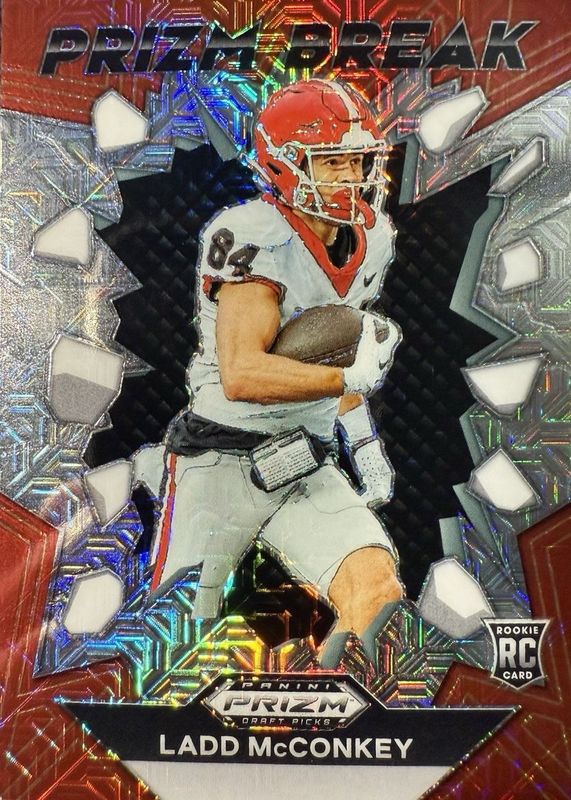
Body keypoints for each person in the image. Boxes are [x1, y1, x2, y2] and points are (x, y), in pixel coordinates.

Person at [135, 79, 404, 668]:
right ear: (284, 165)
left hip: (307, 458)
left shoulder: (373, 237)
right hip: (220, 461)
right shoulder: (254, 231)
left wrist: (362, 441)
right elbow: (243, 374)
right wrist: (348, 381)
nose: (350, 177)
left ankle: (334, 705)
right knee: (172, 636)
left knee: (375, 589)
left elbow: (331, 354)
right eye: (330, 162)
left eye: (357, 160)